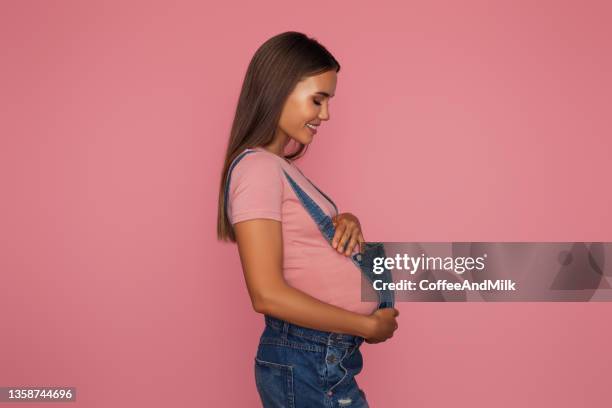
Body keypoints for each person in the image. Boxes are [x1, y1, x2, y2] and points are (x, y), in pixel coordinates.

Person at [217, 31, 399, 408]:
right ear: (279, 88)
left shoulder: (277, 168)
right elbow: (266, 293)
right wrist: (367, 325)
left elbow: (304, 241)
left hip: (320, 357)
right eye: (317, 100)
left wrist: (344, 221)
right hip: (309, 357)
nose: (326, 114)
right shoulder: (257, 170)